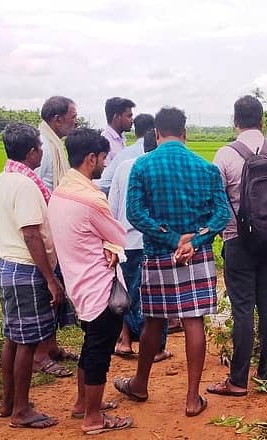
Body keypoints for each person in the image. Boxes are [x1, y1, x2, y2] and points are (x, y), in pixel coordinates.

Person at [114, 107, 229, 417]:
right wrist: (195, 240)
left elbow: (136, 214)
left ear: (156, 134)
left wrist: (169, 238)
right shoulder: (206, 168)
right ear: (185, 133)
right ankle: (192, 399)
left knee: (153, 320)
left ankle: (139, 384)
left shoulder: (142, 166)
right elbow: (222, 215)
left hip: (157, 253)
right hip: (196, 256)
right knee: (193, 320)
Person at [207, 95, 267, 397]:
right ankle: (266, 373)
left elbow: (217, 205)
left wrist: (228, 233)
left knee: (243, 309)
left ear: (235, 121)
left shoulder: (224, 155)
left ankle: (238, 380)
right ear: (262, 121)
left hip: (238, 242)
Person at [49, 128, 134, 434]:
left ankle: (83, 404)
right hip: (100, 288)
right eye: (102, 158)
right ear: (90, 159)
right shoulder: (91, 199)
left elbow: (96, 236)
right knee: (99, 352)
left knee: (90, 346)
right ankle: (94, 419)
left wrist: (107, 244)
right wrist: (110, 244)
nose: (104, 164)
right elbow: (120, 235)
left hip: (77, 283)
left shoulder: (61, 191)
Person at [0, 123, 62, 429]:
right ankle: (21, 410)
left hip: (7, 265)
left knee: (13, 338)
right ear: (32, 151)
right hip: (26, 269)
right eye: (39, 146)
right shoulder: (25, 186)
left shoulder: (3, 180)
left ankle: (9, 403)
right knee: (28, 342)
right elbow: (32, 235)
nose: (42, 151)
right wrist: (50, 277)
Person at [109, 129, 171, 362]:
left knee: (126, 293)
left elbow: (113, 208)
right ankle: (156, 348)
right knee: (155, 297)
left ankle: (124, 342)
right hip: (152, 241)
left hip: (125, 240)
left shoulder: (124, 166)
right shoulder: (161, 169)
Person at [33, 96, 80, 378]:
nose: (75, 120)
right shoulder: (44, 147)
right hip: (43, 228)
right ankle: (39, 354)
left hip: (54, 226)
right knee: (45, 290)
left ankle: (51, 346)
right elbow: (37, 188)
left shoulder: (53, 143)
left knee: (56, 289)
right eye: (73, 116)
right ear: (57, 118)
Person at [98, 113, 153, 194]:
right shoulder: (161, 156)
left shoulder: (122, 156)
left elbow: (103, 185)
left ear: (135, 133)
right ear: (154, 131)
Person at [100, 97, 135, 165]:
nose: (132, 120)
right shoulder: (105, 141)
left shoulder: (122, 138)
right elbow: (105, 173)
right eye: (129, 116)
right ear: (117, 117)